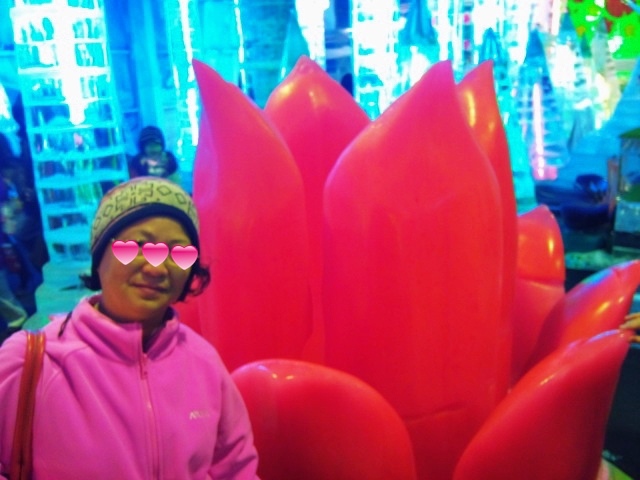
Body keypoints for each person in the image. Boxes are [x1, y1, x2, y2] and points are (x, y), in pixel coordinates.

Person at [0, 177, 260, 479]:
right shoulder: (32, 362)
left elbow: (236, 469)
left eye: (178, 253)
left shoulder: (204, 363)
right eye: (136, 246)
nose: (156, 267)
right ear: (100, 256)